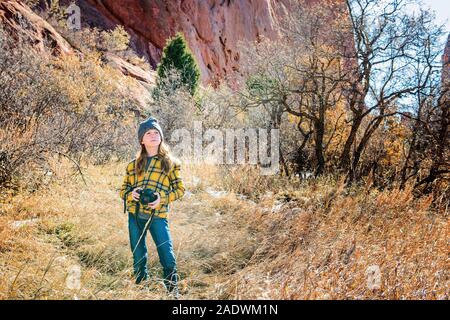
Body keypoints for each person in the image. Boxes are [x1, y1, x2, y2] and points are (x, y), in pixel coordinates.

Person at [120, 116, 185, 297]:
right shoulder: (132, 166)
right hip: (135, 216)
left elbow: (180, 190)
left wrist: (161, 199)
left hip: (158, 216)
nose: (153, 135)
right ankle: (142, 292)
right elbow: (122, 191)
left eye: (156, 132)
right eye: (148, 133)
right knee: (139, 257)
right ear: (142, 139)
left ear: (161, 137)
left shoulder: (170, 163)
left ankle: (173, 293)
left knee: (167, 255)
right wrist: (130, 195)